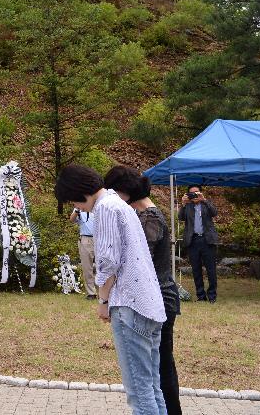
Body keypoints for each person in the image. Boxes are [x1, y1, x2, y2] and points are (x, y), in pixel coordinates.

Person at [55, 164, 166, 415]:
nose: (77, 207)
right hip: (150, 304)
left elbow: (107, 262)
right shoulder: (119, 204)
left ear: (80, 191)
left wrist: (103, 302)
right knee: (152, 388)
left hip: (130, 306)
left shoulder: (104, 208)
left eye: (74, 200)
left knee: (139, 393)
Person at [105, 165, 181, 415]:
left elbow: (138, 262)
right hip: (156, 296)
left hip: (157, 296)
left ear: (123, 192)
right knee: (157, 369)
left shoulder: (149, 218)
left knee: (159, 369)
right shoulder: (147, 215)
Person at [178, 185, 218, 302]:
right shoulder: (188, 206)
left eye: (196, 192)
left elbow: (214, 212)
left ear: (200, 193)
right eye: (192, 193)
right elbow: (180, 218)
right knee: (196, 270)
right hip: (193, 241)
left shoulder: (206, 204)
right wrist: (183, 204)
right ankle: (201, 296)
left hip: (207, 240)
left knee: (211, 269)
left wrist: (204, 200)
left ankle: (212, 296)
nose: (194, 195)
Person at [69, 207, 97, 299]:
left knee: (105, 265)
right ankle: (91, 293)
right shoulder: (79, 207)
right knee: (87, 267)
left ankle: (107, 291)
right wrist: (77, 210)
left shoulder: (99, 205)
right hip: (86, 238)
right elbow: (71, 219)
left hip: (100, 238)